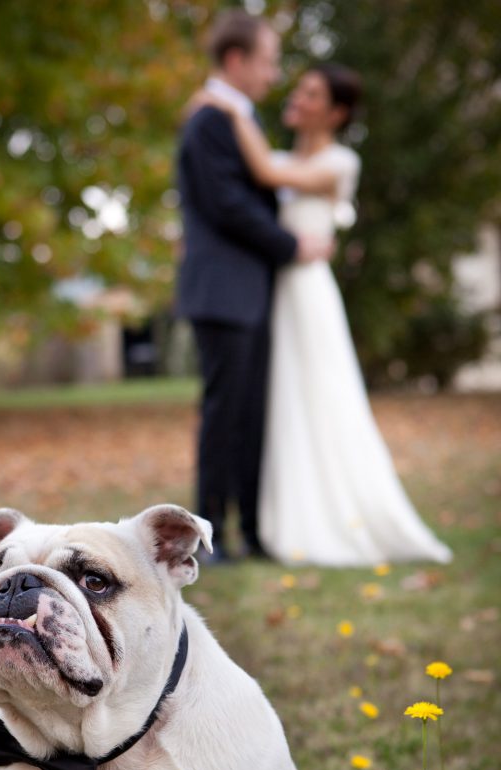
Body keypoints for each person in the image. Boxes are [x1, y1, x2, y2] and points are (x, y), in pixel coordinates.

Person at [194, 64, 453, 566]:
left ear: (335, 112)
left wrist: (232, 106)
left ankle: (331, 513)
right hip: (272, 290)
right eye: (300, 88)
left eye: (312, 93)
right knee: (276, 405)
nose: (298, 97)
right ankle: (272, 517)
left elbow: (268, 174)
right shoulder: (286, 155)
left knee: (317, 394)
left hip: (307, 291)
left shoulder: (339, 162)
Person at [176, 10, 331, 564]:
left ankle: (252, 530)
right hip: (224, 290)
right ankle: (210, 535)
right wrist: (292, 246)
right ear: (236, 60)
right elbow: (229, 207)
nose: (273, 74)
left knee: (251, 413)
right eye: (267, 61)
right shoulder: (209, 122)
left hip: (248, 290)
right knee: (226, 415)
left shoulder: (235, 117)